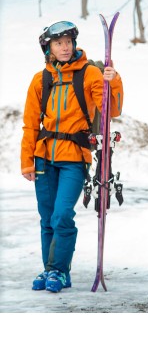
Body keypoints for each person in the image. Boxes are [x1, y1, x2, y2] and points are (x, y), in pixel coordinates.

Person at [21, 21, 123, 293]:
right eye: (58, 43)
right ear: (49, 48)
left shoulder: (89, 73)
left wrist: (114, 81)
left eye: (68, 42)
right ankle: (51, 269)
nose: (65, 47)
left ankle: (58, 271)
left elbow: (111, 110)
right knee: (47, 217)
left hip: (74, 157)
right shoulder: (40, 79)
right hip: (44, 156)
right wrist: (26, 161)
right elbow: (30, 124)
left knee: (63, 214)